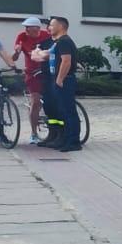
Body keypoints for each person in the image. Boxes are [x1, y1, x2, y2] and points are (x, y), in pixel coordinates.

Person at [42, 17, 80, 152]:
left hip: (65, 80)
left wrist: (59, 79)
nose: (49, 28)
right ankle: (65, 140)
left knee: (68, 111)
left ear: (61, 26)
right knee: (62, 111)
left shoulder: (64, 41)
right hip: (60, 79)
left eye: (52, 25)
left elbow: (66, 61)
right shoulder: (58, 42)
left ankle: (73, 142)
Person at [12, 16, 50, 138]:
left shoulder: (46, 35)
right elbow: (14, 58)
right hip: (32, 73)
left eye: (29, 28)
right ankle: (34, 133)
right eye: (26, 28)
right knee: (36, 102)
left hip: (46, 71)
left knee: (51, 99)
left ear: (37, 28)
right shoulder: (22, 36)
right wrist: (17, 52)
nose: (26, 30)